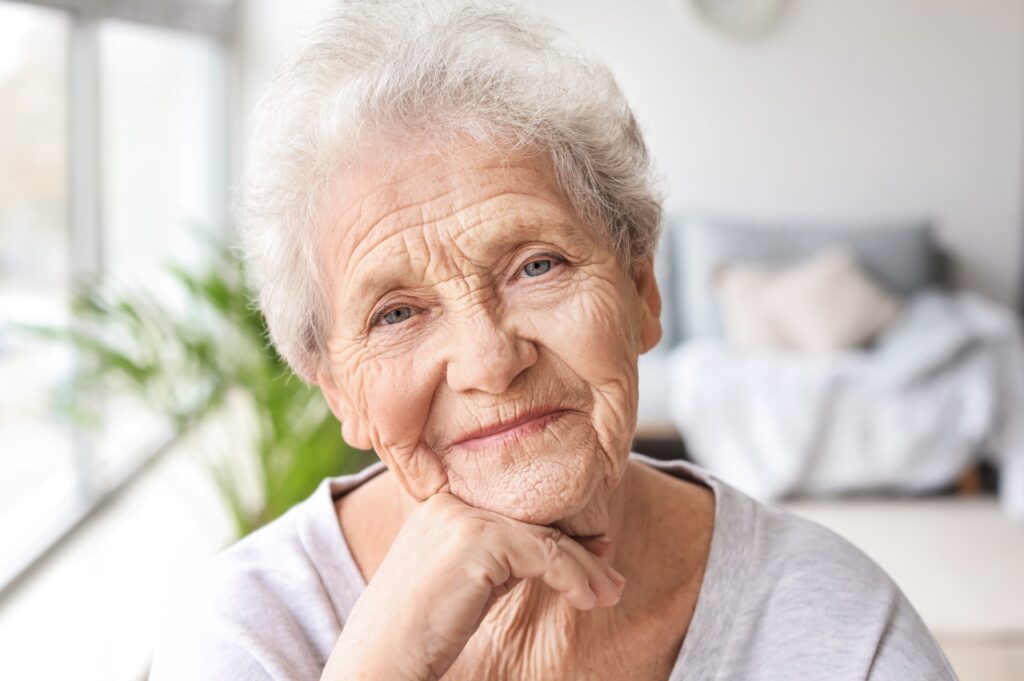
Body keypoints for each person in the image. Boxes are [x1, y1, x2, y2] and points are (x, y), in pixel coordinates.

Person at [150, 1, 958, 679]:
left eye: (537, 265)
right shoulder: (244, 634)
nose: (491, 361)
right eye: (396, 313)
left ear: (643, 291)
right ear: (336, 391)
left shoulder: (841, 631)